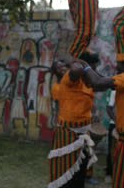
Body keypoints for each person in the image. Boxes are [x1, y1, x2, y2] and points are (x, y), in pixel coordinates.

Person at [75, 60, 124, 188]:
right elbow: (100, 84)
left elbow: (98, 82)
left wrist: (86, 67)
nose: (116, 64)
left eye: (119, 61)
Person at [48, 58, 97, 188]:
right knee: (67, 168)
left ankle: (87, 177)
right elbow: (60, 106)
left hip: (83, 130)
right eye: (58, 68)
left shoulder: (81, 82)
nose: (62, 68)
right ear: (55, 73)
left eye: (63, 65)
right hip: (68, 130)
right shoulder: (60, 85)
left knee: (83, 162)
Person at [105, 89, 116, 183]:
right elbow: (109, 108)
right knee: (111, 150)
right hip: (115, 124)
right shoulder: (114, 92)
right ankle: (109, 173)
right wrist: (117, 120)